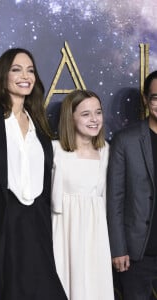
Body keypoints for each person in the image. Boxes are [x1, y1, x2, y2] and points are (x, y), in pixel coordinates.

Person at [0, 48, 67, 300]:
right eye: (16, 69)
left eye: (30, 70)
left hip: (35, 222)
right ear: (2, 76)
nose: (25, 76)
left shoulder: (39, 124)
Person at [51, 89, 114, 300]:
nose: (94, 119)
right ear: (71, 117)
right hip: (63, 232)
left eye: (98, 112)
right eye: (86, 114)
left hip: (96, 234)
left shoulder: (107, 151)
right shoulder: (55, 151)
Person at [107, 71, 157, 299]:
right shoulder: (125, 140)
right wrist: (119, 249)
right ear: (146, 100)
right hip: (137, 254)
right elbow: (114, 199)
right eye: (156, 97)